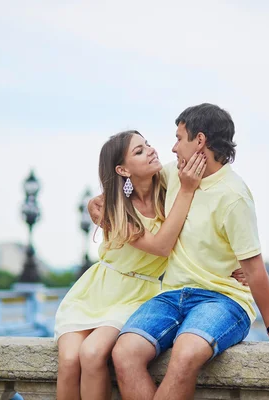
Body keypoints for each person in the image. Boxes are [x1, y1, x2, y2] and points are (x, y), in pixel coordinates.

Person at [93, 104, 269, 400]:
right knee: (124, 352)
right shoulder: (173, 174)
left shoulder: (234, 196)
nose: (172, 147)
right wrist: (98, 201)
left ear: (199, 141)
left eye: (179, 137)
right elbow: (130, 183)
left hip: (223, 299)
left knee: (185, 354)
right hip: (171, 295)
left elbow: (255, 269)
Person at [54, 130, 240, 400]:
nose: (151, 150)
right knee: (70, 360)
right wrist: (91, 204)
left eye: (148, 144)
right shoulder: (116, 207)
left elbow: (214, 187)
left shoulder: (172, 182)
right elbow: (160, 246)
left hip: (138, 295)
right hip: (96, 290)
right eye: (139, 151)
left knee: (92, 353)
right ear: (122, 169)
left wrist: (238, 260)